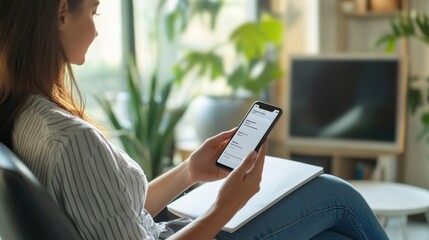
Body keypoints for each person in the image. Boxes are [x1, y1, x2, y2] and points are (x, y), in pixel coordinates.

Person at [0, 0, 389, 239]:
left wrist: (189, 171)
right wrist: (226, 207)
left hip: (170, 232)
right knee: (338, 196)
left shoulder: (23, 114)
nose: (98, 28)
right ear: (61, 14)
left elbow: (114, 216)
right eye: (95, 9)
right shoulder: (72, 140)